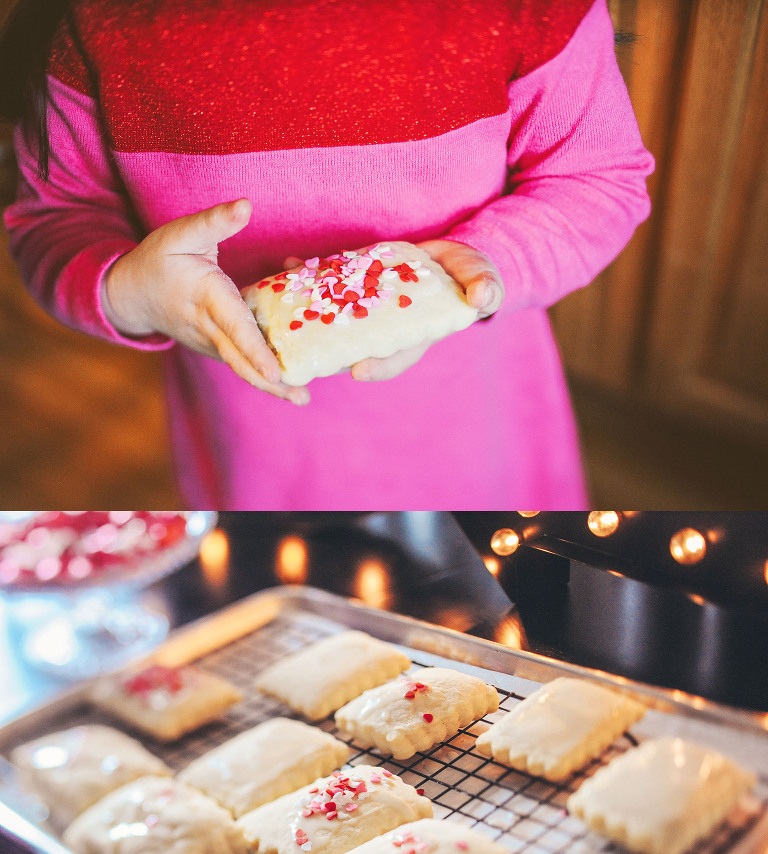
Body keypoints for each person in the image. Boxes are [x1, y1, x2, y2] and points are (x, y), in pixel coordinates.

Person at [1, 0, 653, 510]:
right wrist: (125, 290)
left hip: (480, 418)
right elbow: (54, 220)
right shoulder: (95, 24)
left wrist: (490, 261)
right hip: (259, 442)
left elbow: (596, 178)